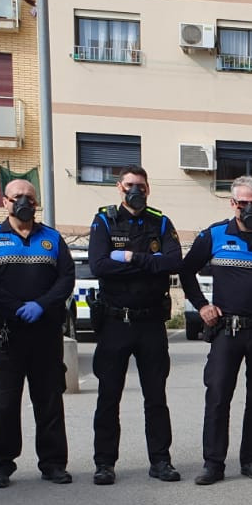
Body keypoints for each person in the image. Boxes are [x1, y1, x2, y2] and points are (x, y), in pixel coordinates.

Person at [181, 176, 252, 485]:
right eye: (245, 204)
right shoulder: (213, 235)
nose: (250, 209)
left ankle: (250, 460)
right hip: (226, 331)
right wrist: (201, 305)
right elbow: (186, 272)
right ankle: (213, 463)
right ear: (233, 204)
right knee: (217, 397)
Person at [0, 179, 74, 488]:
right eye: (18, 197)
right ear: (5, 201)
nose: (24, 202)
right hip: (5, 334)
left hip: (44, 334)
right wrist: (15, 307)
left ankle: (54, 463)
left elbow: (66, 279)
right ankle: (0, 464)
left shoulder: (53, 239)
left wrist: (41, 305)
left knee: (49, 400)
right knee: (1, 403)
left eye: (29, 197)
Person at [87, 165, 183, 485]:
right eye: (130, 185)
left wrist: (128, 258)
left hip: (151, 323)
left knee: (156, 396)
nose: (136, 191)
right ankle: (104, 463)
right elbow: (99, 265)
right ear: (119, 187)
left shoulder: (161, 221)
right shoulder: (104, 220)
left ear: (148, 189)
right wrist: (148, 265)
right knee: (108, 396)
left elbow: (172, 263)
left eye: (141, 186)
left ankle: (160, 460)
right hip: (115, 321)